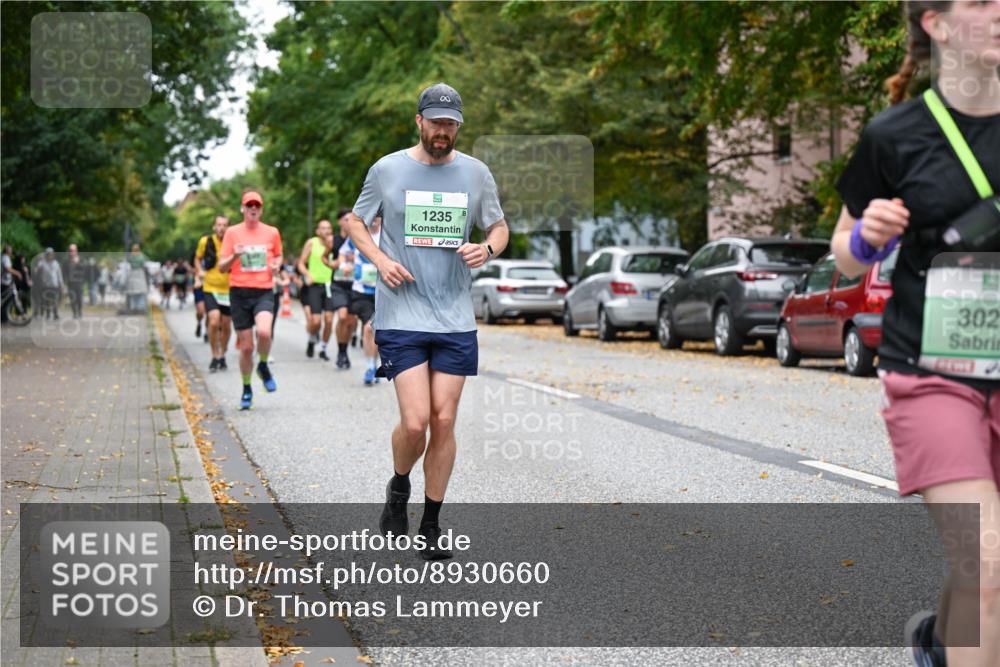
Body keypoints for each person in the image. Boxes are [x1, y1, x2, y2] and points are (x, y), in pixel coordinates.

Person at [831, 3, 999, 665]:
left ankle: (937, 643)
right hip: (932, 374)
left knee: (980, 569)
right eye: (983, 1)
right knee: (987, 562)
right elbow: (844, 254)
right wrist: (866, 237)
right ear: (938, 23)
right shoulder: (894, 135)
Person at [344, 83, 509, 560]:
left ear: (459, 124)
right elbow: (356, 220)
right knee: (415, 423)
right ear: (419, 120)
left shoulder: (476, 174)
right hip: (401, 310)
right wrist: (378, 258)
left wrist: (488, 247)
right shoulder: (388, 169)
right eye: (435, 122)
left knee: (444, 418)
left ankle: (431, 525)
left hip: (455, 315)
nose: (443, 131)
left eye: (450, 123)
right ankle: (399, 488)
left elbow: (498, 226)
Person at [218, 190, 282, 410]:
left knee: (264, 332)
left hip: (264, 290)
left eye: (257, 205)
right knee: (246, 347)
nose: (253, 208)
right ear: (242, 209)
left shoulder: (272, 232)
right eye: (249, 205)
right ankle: (247, 388)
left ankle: (263, 365)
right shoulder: (232, 233)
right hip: (239, 292)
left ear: (261, 209)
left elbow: (279, 255)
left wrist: (276, 265)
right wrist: (235, 256)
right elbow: (221, 267)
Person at [339, 215, 383, 384]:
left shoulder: (389, 235)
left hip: (383, 291)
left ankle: (376, 363)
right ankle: (370, 366)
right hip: (362, 291)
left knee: (377, 330)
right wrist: (344, 266)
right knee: (368, 329)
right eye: (371, 216)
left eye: (378, 216)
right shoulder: (358, 234)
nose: (374, 219)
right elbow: (343, 254)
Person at [195, 216, 232, 372]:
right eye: (218, 225)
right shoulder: (205, 241)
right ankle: (214, 354)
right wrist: (200, 271)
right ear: (213, 227)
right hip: (210, 287)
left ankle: (222, 353)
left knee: (226, 324)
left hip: (229, 289)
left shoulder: (233, 241)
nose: (221, 228)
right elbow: (197, 259)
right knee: (214, 321)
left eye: (224, 225)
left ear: (228, 227)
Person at [297, 219, 336, 360]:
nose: (326, 230)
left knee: (330, 320)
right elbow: (301, 263)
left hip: (330, 285)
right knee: (315, 321)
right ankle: (312, 338)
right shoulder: (311, 243)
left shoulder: (334, 243)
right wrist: (307, 274)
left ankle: (324, 349)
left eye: (328, 228)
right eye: (323, 228)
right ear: (317, 231)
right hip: (314, 286)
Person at [330, 209, 358, 369]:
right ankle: (341, 352)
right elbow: (328, 258)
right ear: (340, 221)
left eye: (351, 219)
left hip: (354, 285)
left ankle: (344, 350)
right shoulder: (333, 240)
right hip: (339, 283)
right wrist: (332, 263)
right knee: (342, 317)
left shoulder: (360, 238)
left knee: (350, 321)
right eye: (346, 219)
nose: (349, 222)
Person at [35, 247, 64, 320]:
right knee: (47, 300)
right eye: (48, 254)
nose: (50, 255)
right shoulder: (42, 263)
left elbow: (59, 274)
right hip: (46, 285)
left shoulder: (56, 263)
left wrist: (61, 284)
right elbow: (36, 269)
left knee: (55, 300)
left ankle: (55, 314)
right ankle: (48, 314)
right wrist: (40, 259)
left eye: (51, 254)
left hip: (54, 284)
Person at [1, 245, 22, 323]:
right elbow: (7, 268)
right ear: (7, 251)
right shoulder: (5, 258)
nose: (11, 251)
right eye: (10, 250)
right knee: (6, 300)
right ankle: (4, 319)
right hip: (4, 282)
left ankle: (4, 318)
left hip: (4, 281)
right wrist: (17, 273)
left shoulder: (3, 257)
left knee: (4, 300)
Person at [125, 244, 148, 313]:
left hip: (132, 274)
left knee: (133, 292)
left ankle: (134, 307)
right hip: (140, 274)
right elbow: (144, 264)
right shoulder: (141, 256)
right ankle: (140, 307)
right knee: (141, 292)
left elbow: (128, 262)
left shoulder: (130, 257)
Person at [64, 244, 86, 319]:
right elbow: (64, 272)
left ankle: (79, 312)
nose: (71, 252)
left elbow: (84, 269)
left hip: (79, 283)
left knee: (79, 299)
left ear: (76, 251)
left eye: (73, 250)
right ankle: (75, 313)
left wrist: (77, 263)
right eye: (70, 250)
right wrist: (65, 282)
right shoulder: (66, 260)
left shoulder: (81, 259)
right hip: (70, 283)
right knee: (72, 298)